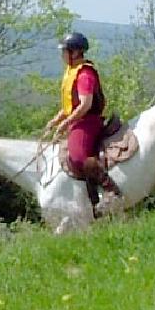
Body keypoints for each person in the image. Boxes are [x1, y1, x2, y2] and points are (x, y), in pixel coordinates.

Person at [43, 32, 122, 214]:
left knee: (78, 157)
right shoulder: (72, 71)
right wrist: (55, 121)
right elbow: (71, 106)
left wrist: (67, 122)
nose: (62, 55)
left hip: (88, 121)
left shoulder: (85, 74)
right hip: (78, 119)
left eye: (65, 51)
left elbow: (85, 104)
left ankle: (109, 188)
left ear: (76, 52)